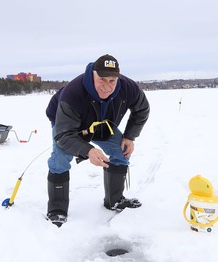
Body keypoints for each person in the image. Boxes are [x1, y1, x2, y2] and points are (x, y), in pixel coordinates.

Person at [45, 54, 150, 227]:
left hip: (102, 123)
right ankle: (57, 209)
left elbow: (142, 110)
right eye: (102, 79)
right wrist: (88, 150)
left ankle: (114, 200)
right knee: (60, 159)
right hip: (67, 124)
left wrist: (130, 136)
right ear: (93, 74)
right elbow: (63, 136)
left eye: (112, 80)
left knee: (121, 151)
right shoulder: (73, 93)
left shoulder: (128, 88)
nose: (107, 86)